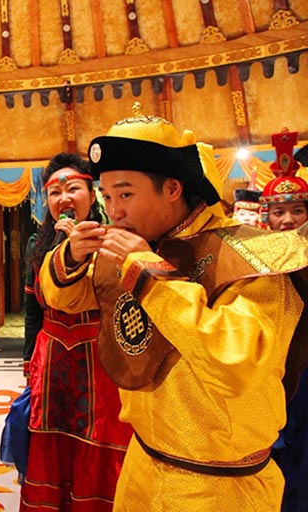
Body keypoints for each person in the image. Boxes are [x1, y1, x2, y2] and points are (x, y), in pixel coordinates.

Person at [39, 104, 308, 511]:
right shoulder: (140, 243)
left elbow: (236, 363)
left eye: (126, 194)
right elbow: (64, 298)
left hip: (218, 486)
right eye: (107, 196)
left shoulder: (252, 255)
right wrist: (72, 255)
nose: (115, 211)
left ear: (172, 188)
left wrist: (148, 274)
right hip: (141, 462)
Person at [18, 153, 131, 511]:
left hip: (101, 359)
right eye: (54, 192)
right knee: (50, 442)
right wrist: (26, 362)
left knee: (101, 440)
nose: (63, 198)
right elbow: (33, 309)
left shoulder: (115, 238)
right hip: (51, 358)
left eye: (73, 189)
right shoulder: (37, 244)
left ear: (92, 193)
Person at [259, 128, 308, 512]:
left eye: (297, 210)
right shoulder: (256, 262)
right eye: (279, 212)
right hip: (273, 367)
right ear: (268, 218)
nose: (288, 219)